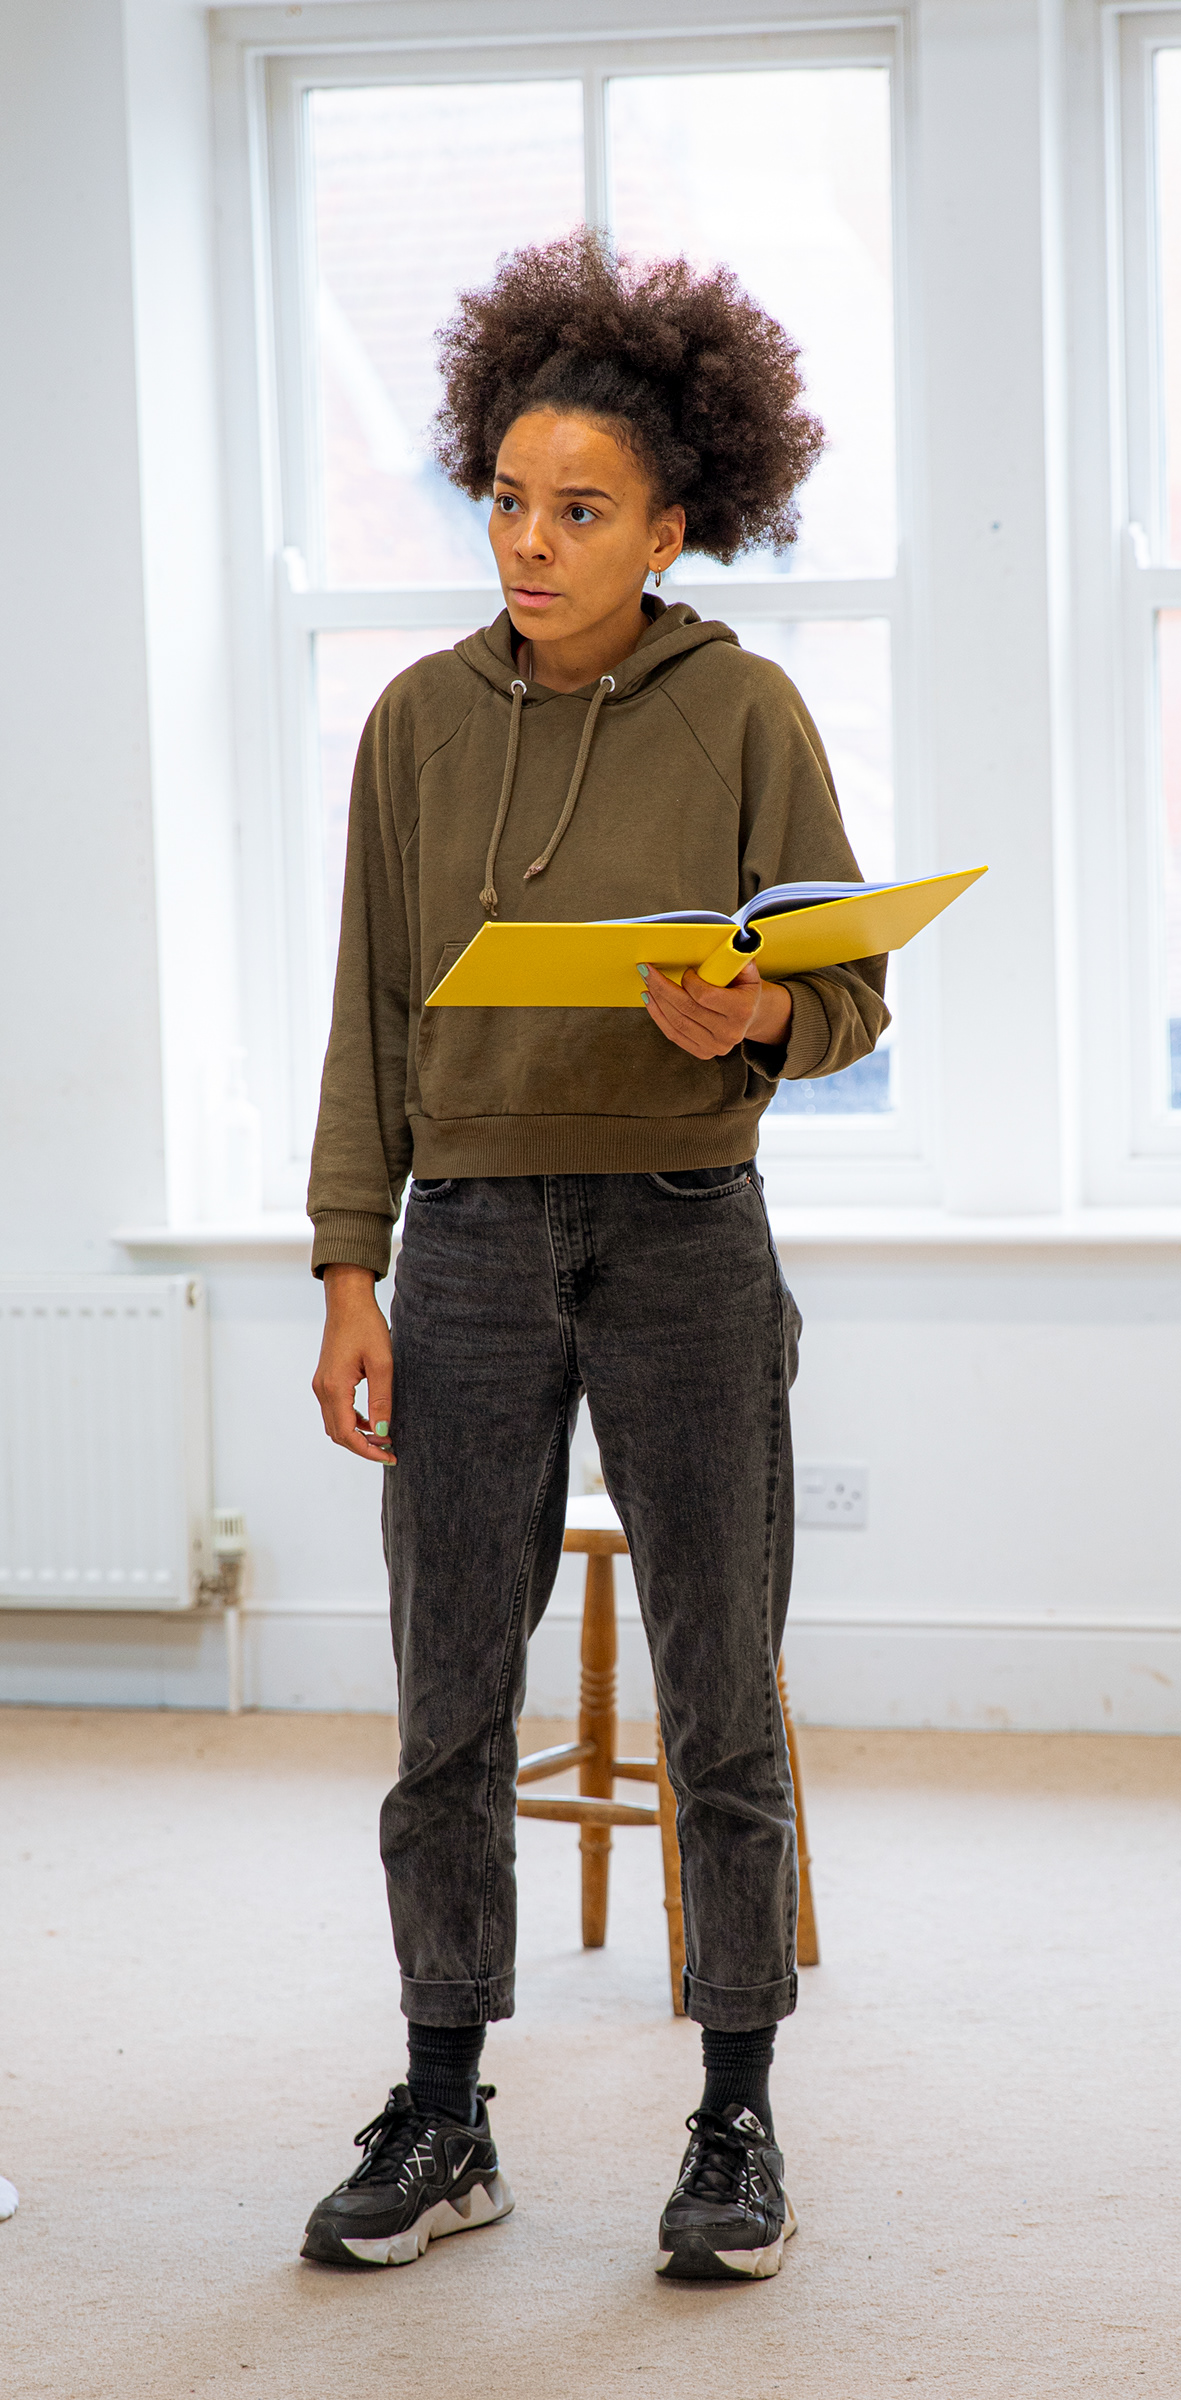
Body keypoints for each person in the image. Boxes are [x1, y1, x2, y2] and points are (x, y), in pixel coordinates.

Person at [298, 230, 885, 2280]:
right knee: (447, 1694)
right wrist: (347, 1267)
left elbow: (849, 997)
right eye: (507, 501)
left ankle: (735, 2122)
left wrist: (761, 1020)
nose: (528, 544)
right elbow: (375, 1011)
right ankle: (444, 2106)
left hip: (681, 1240)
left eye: (579, 512)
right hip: (458, 1244)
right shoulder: (414, 725)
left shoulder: (748, 713)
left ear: (675, 524)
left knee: (726, 1688)